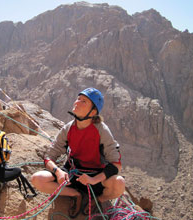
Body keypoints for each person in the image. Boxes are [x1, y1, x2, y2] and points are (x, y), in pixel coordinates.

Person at [31, 88, 125, 218]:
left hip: (95, 177)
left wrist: (93, 180)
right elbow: (49, 157)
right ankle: (75, 194)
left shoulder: (101, 131)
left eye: (84, 101)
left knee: (119, 184)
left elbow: (116, 164)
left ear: (93, 112)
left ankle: (99, 200)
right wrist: (58, 172)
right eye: (78, 99)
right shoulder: (68, 128)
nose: (77, 102)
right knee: (37, 179)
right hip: (72, 174)